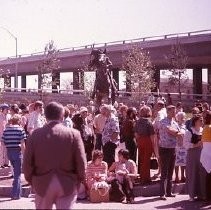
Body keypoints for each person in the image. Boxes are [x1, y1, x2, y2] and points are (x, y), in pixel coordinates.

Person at [23, 102, 87, 209]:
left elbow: (27, 163)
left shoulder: (35, 135)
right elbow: (81, 162)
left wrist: (32, 181)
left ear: (46, 116)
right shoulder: (73, 134)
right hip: (67, 183)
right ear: (62, 116)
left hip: (42, 182)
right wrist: (79, 180)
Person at [158, 105, 183, 200]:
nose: (174, 113)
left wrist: (178, 134)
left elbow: (180, 131)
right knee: (164, 172)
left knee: (170, 171)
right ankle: (162, 193)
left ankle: (169, 192)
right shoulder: (163, 121)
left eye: (175, 111)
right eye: (172, 111)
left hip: (173, 148)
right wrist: (178, 133)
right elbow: (170, 131)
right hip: (164, 148)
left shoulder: (174, 122)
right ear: (168, 112)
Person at [2, 114, 26, 200]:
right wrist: (25, 154)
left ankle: (17, 192)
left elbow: (3, 142)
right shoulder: (20, 130)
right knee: (17, 174)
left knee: (15, 172)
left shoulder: (6, 130)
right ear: (19, 120)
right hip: (17, 151)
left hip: (9, 152)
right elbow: (23, 144)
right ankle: (15, 194)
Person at [184, 115, 206, 201]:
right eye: (200, 120)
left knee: (201, 173)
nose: (202, 122)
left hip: (202, 153)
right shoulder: (189, 131)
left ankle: (201, 194)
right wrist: (196, 145)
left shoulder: (203, 130)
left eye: (202, 120)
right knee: (193, 173)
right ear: (195, 121)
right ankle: (191, 195)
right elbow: (185, 144)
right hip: (192, 155)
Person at [134, 105, 155, 185]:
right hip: (147, 141)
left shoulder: (138, 121)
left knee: (142, 160)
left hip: (140, 140)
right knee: (147, 160)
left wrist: (138, 140)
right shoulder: (149, 122)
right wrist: (153, 146)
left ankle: (143, 177)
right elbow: (152, 136)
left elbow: (136, 133)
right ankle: (145, 178)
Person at [200, 111, 211, 201]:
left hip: (206, 152)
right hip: (209, 152)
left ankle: (208, 197)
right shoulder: (210, 128)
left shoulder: (205, 127)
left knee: (208, 175)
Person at [174, 112, 187, 183]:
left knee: (183, 162)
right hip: (176, 146)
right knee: (176, 163)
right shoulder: (175, 125)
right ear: (177, 118)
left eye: (183, 117)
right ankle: (176, 177)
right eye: (181, 117)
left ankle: (182, 176)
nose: (182, 118)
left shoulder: (185, 126)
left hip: (184, 146)